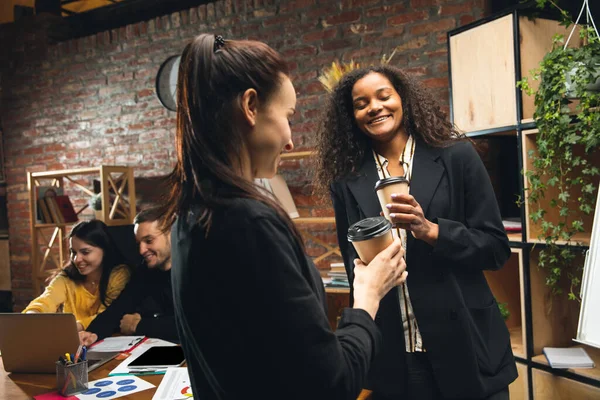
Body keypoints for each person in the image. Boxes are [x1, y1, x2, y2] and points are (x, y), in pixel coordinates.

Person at [162, 33, 408, 400]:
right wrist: (367, 296)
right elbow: (331, 383)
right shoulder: (250, 223)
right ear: (250, 106)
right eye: (288, 116)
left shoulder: (191, 214)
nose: (291, 140)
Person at [314, 65, 518, 400]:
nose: (375, 107)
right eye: (361, 103)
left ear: (402, 99)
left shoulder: (456, 156)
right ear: (352, 116)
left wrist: (431, 231)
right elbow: (357, 272)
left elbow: (495, 248)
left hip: (467, 346)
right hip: (398, 359)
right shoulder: (347, 181)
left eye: (384, 96)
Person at [79, 207, 177, 345]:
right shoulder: (146, 270)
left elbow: (196, 323)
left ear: (171, 235)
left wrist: (138, 325)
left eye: (149, 241)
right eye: (139, 243)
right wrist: (92, 333)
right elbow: (119, 308)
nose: (141, 250)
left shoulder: (195, 268)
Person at [23, 219, 131, 331]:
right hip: (73, 339)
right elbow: (47, 300)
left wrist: (73, 327)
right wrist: (33, 314)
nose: (76, 259)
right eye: (73, 252)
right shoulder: (66, 277)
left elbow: (109, 316)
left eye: (85, 252)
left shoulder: (119, 275)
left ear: (104, 250)